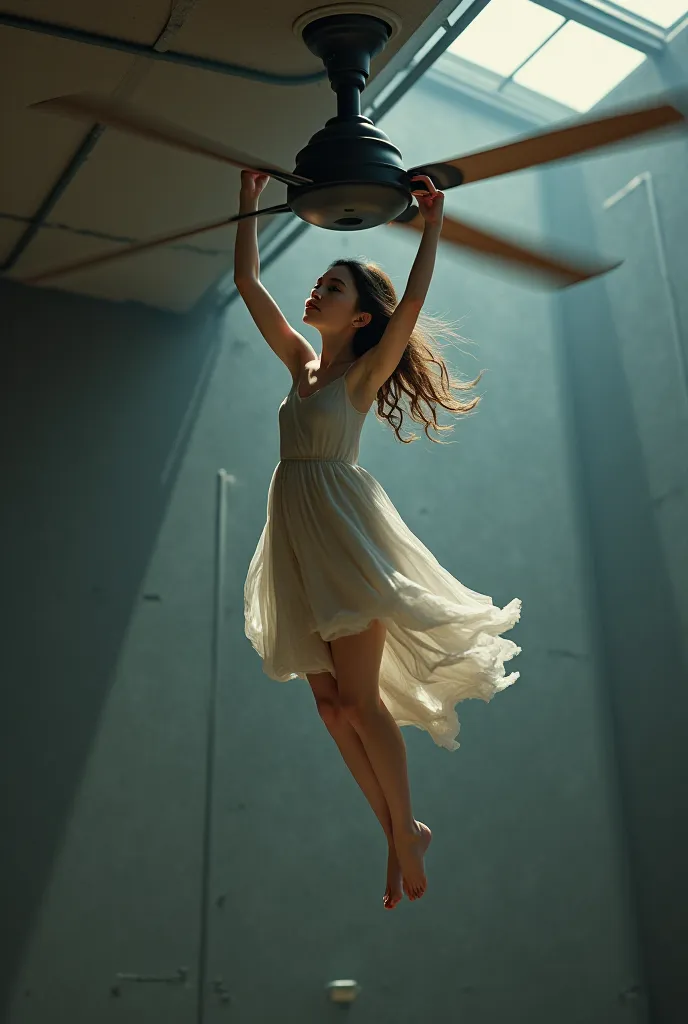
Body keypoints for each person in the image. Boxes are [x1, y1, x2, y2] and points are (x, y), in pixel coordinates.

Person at [235, 169, 522, 910]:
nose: (317, 292)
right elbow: (248, 285)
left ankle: (404, 832)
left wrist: (432, 224)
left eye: (334, 287)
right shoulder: (300, 366)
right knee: (331, 709)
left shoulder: (359, 379)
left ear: (361, 319)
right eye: (321, 282)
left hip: (343, 540)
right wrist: (247, 201)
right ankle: (401, 832)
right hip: (296, 540)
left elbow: (415, 304)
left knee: (360, 706)